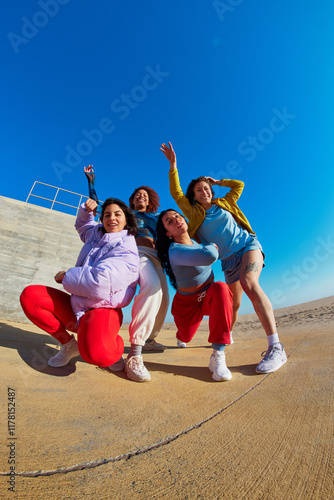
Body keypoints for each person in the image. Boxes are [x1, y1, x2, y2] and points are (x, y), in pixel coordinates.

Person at [160, 142, 287, 374]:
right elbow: (176, 192)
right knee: (234, 303)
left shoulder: (226, 202)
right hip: (228, 261)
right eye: (199, 190)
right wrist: (173, 166)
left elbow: (239, 184)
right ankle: (226, 337)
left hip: (247, 245)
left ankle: (276, 346)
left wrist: (217, 181)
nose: (204, 191)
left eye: (206, 188)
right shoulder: (192, 212)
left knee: (250, 283)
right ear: (194, 196)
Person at [20, 197, 140, 374]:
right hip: (79, 307)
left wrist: (66, 276)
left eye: (117, 214)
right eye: (107, 215)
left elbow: (100, 283)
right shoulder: (97, 234)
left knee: (97, 355)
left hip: (103, 309)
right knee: (31, 296)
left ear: (127, 220)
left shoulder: (127, 247)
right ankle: (69, 345)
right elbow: (83, 226)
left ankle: (113, 347)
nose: (111, 218)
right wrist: (86, 210)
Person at [84, 166, 170, 383]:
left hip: (157, 256)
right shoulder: (128, 215)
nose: (141, 197)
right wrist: (91, 182)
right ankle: (136, 352)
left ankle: (150, 339)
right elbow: (102, 206)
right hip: (137, 253)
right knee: (152, 287)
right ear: (132, 200)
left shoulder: (158, 217)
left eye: (145, 195)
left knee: (162, 299)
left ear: (150, 200)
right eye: (138, 195)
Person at [156, 209, 233, 381]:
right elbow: (210, 255)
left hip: (208, 296)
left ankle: (217, 356)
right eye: (169, 221)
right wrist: (212, 246)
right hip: (186, 305)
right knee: (186, 338)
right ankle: (179, 336)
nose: (176, 219)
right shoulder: (175, 251)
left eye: (177, 215)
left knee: (221, 287)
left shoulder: (195, 242)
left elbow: (208, 254)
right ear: (168, 233)